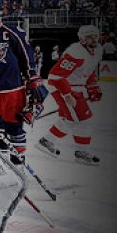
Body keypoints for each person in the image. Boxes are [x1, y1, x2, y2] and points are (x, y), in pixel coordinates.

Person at [0, 0, 45, 165]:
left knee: (13, 127)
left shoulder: (11, 32)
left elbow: (25, 55)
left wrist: (32, 77)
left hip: (11, 88)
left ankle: (18, 165)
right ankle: (0, 164)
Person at [35, 25, 103, 165]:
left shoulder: (97, 50)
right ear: (82, 39)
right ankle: (48, 142)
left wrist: (93, 88)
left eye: (95, 36)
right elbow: (55, 76)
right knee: (74, 119)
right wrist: (67, 95)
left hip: (75, 87)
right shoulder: (75, 52)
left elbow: (88, 71)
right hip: (61, 85)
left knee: (81, 119)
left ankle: (72, 149)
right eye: (90, 36)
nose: (94, 39)